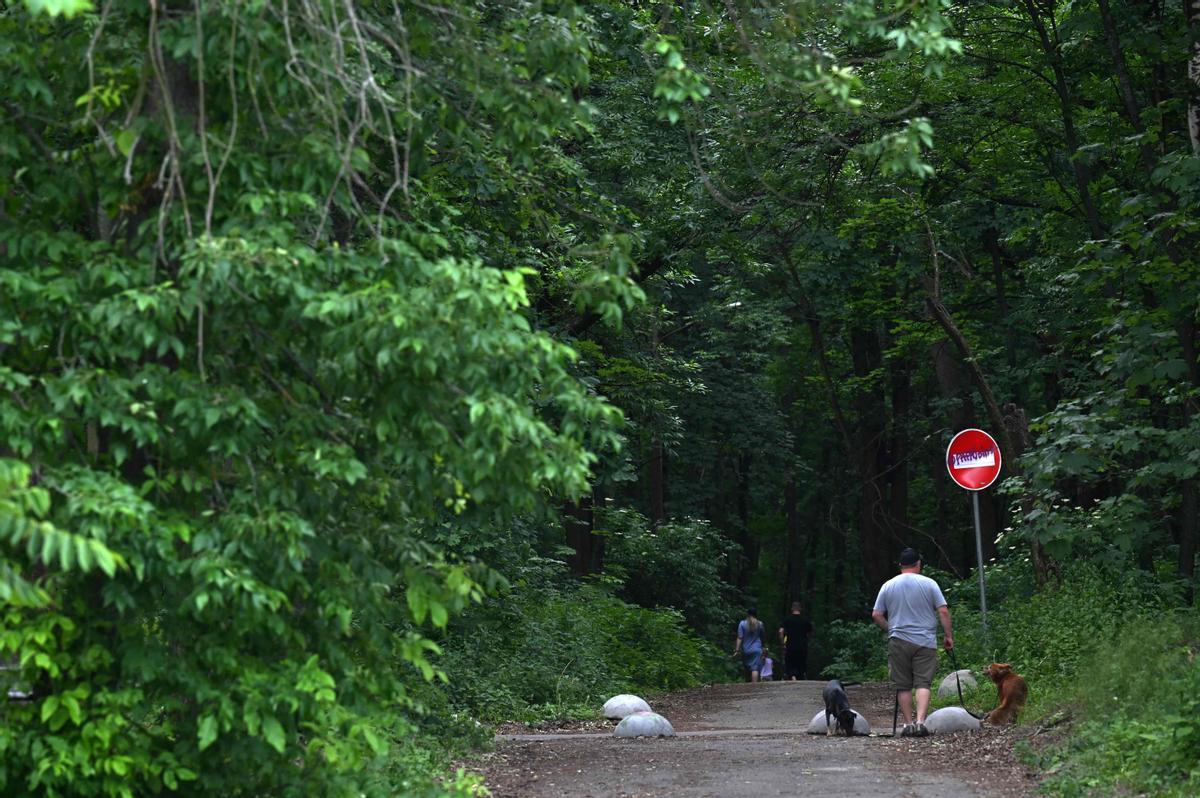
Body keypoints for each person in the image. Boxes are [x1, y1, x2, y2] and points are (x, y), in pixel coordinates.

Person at [871, 547, 954, 737]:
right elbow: (943, 611)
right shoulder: (930, 583)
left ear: (900, 565)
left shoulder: (888, 585)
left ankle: (908, 724)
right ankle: (920, 722)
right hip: (925, 641)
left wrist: (891, 628)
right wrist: (948, 636)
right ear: (918, 564)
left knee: (903, 685)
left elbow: (876, 614)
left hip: (898, 640)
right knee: (923, 683)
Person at [777, 601, 813, 680]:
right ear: (800, 609)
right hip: (802, 647)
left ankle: (793, 677)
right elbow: (810, 633)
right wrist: (807, 640)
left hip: (790, 646)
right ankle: (799, 680)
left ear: (792, 609)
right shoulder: (805, 620)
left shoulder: (787, 620)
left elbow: (780, 631)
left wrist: (783, 643)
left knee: (790, 665)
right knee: (801, 666)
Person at [732, 607, 767, 683]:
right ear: (756, 615)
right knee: (755, 669)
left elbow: (740, 637)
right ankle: (754, 686)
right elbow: (763, 637)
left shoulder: (742, 623)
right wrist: (763, 647)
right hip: (757, 650)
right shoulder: (760, 624)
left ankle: (747, 686)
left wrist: (737, 650)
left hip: (746, 650)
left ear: (747, 614)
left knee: (747, 668)